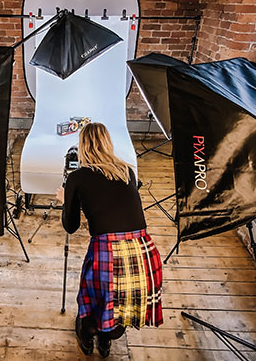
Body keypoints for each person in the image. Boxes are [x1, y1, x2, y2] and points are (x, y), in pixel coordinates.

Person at [55, 122, 163, 358]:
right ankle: (107, 339)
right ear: (108, 143)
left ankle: (87, 334)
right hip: (144, 252)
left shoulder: (77, 177)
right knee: (121, 307)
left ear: (82, 146)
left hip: (108, 252)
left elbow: (70, 227)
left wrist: (66, 199)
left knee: (95, 305)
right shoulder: (127, 171)